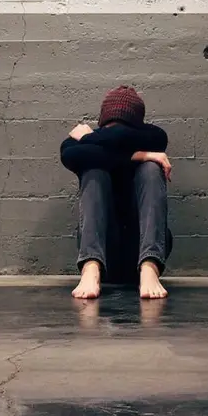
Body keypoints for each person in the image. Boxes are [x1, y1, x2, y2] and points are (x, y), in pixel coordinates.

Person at [60, 85, 173, 300]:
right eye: (109, 126)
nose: (114, 131)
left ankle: (150, 267)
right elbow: (69, 155)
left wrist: (89, 137)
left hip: (140, 248)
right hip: (103, 253)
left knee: (151, 168)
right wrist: (138, 155)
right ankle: (90, 268)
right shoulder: (136, 146)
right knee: (94, 170)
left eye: (122, 126)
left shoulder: (152, 136)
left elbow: (121, 137)